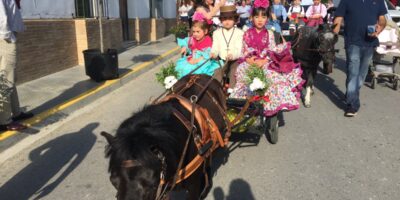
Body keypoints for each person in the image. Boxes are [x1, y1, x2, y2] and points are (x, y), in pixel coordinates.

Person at [230, 0, 304, 117]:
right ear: (251, 18)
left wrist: (264, 60)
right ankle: (243, 104)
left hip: (264, 61)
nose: (260, 20)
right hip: (250, 62)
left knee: (271, 76)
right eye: (256, 16)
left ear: (267, 18)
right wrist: (250, 60)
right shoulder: (247, 32)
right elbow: (243, 50)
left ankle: (274, 102)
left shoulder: (269, 33)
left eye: (263, 16)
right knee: (243, 75)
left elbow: (272, 50)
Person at [333, 0, 387, 117]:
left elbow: (382, 20)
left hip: (370, 43)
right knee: (353, 73)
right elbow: (338, 18)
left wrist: (379, 28)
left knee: (361, 75)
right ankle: (352, 105)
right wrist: (333, 36)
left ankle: (350, 94)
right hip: (353, 42)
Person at [0, 0, 34, 132]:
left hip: (6, 36)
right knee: (6, 80)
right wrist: (8, 36)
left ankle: (16, 112)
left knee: (10, 78)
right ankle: (5, 121)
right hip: (5, 37)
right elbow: (1, 12)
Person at [175, 13, 222, 78]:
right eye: (193, 32)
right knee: (181, 68)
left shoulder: (208, 41)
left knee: (196, 71)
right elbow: (187, 43)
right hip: (192, 58)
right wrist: (184, 47)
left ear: (205, 31)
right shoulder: (192, 39)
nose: (195, 34)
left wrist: (197, 60)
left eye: (198, 32)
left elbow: (208, 54)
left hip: (203, 61)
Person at [211, 5, 244, 87]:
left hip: (235, 59)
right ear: (221, 20)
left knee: (234, 72)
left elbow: (239, 48)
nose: (227, 21)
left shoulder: (239, 32)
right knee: (217, 72)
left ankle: (232, 91)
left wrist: (232, 55)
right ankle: (217, 89)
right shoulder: (216, 33)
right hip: (221, 59)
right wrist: (213, 53)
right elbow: (215, 46)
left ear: (235, 20)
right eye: (224, 19)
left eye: (230, 18)